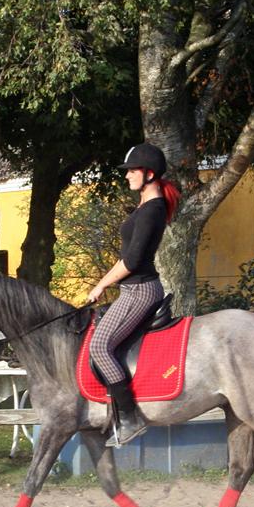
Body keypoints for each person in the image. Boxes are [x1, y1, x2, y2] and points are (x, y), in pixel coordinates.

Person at [86, 142, 181, 447]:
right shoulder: (144, 207)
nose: (126, 176)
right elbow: (125, 256)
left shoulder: (152, 211)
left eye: (131, 171)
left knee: (100, 347)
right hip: (131, 288)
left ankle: (129, 418)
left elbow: (133, 261)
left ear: (149, 173)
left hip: (140, 291)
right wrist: (103, 282)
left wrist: (101, 285)